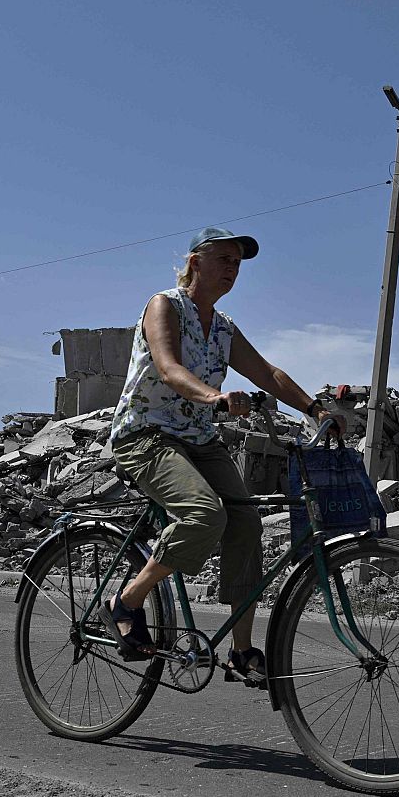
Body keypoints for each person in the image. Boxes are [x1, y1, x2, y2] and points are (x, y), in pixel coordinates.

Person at [103, 226, 344, 686]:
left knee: (246, 523)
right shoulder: (164, 305)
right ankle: (127, 602)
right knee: (203, 514)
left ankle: (240, 651)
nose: (232, 270)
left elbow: (268, 372)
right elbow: (170, 369)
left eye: (238, 263)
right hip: (145, 435)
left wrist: (315, 409)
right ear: (195, 261)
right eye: (224, 260)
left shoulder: (224, 328)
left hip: (197, 438)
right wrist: (215, 397)